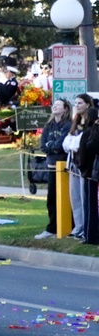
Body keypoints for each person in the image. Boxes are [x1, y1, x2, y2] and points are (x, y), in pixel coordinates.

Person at [35, 98, 72, 239]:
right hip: (51, 166)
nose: (54, 107)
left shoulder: (68, 125)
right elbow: (43, 145)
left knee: (65, 198)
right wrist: (52, 146)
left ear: (65, 109)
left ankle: (68, 226)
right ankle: (52, 228)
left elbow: (61, 145)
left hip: (64, 167)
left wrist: (53, 146)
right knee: (51, 199)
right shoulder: (49, 125)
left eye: (58, 105)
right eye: (53, 105)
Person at [62, 94, 93, 240]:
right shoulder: (75, 121)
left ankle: (85, 227)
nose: (77, 105)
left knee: (84, 196)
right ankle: (78, 227)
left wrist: (73, 143)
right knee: (75, 197)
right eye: (76, 103)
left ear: (87, 104)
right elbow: (66, 143)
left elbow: (79, 143)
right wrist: (73, 143)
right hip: (73, 163)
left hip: (84, 165)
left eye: (80, 103)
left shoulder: (91, 122)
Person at [75, 107, 99, 244]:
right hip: (91, 172)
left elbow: (89, 148)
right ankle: (91, 235)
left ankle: (92, 235)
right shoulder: (90, 131)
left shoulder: (90, 132)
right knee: (91, 204)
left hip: (92, 172)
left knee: (92, 204)